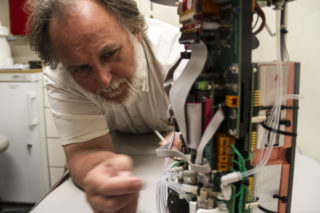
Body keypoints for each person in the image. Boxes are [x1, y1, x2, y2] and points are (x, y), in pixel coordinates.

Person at [27, 0, 183, 212]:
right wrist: (98, 173)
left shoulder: (178, 55)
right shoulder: (62, 74)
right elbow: (86, 149)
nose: (104, 80)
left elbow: (208, 127)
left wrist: (191, 137)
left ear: (135, 30)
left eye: (109, 54)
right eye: (82, 69)